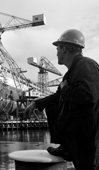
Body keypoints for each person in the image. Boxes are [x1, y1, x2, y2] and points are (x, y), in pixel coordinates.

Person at [24, 29, 99, 170]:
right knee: (53, 104)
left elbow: (89, 95)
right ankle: (66, 147)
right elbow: (58, 97)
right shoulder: (70, 73)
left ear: (64, 48)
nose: (56, 52)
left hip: (89, 140)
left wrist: (65, 89)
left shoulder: (86, 65)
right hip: (78, 137)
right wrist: (36, 103)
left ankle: (68, 147)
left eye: (57, 48)